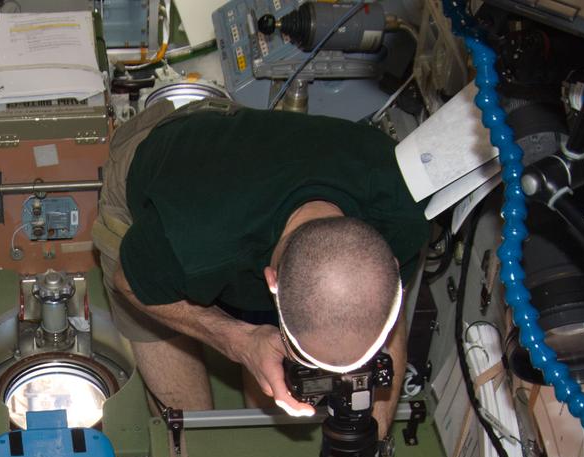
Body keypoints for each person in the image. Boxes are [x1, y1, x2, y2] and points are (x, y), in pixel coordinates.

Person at [91, 98, 428, 437]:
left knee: (271, 414)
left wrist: (374, 440)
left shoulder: (401, 210)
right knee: (193, 424)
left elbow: (390, 324)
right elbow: (129, 281)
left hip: (258, 163)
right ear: (272, 281)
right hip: (161, 171)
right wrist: (240, 340)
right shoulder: (195, 238)